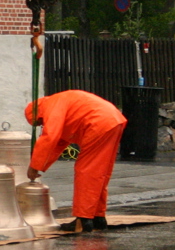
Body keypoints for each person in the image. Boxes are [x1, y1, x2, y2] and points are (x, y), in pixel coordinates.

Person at [24, 90, 127, 233]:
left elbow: (50, 137)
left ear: (38, 113)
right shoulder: (60, 102)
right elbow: (59, 142)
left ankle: (83, 220)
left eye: (39, 122)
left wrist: (34, 166)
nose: (42, 125)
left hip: (98, 122)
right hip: (113, 120)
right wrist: (40, 166)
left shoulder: (51, 106)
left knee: (86, 171)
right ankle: (98, 217)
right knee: (99, 173)